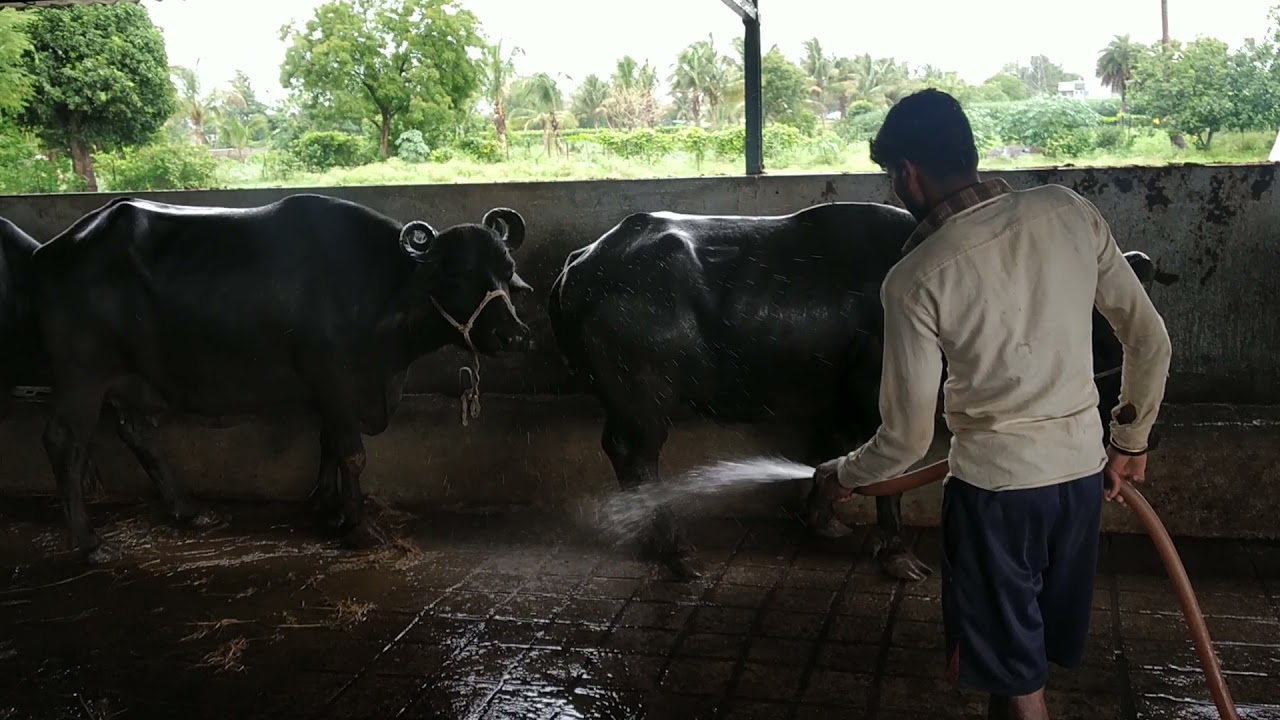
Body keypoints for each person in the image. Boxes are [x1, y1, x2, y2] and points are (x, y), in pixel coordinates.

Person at [812, 89, 1172, 720]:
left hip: (997, 501)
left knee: (1015, 677)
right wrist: (1129, 443)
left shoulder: (915, 277)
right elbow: (1149, 340)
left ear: (908, 174)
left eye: (892, 176)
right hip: (1081, 482)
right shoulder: (1067, 210)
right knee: (1024, 660)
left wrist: (841, 475)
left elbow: (905, 438)